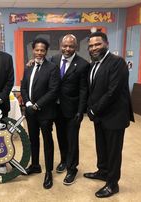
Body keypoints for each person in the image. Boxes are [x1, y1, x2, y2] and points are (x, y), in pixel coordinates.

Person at [84, 31, 134, 198]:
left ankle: (113, 184)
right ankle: (103, 171)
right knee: (102, 147)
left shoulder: (117, 62)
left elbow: (112, 92)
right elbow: (93, 90)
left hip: (114, 116)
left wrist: (93, 109)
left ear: (106, 44)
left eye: (97, 44)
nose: (94, 48)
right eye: (91, 45)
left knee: (113, 151)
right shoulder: (94, 64)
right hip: (100, 116)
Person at [50, 34, 90, 185]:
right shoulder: (53, 59)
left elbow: (83, 90)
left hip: (73, 109)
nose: (67, 49)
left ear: (76, 47)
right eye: (65, 46)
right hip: (56, 108)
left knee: (72, 140)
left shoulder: (83, 64)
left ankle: (72, 168)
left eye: (71, 46)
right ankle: (64, 160)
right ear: (61, 45)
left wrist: (81, 111)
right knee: (61, 136)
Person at [21, 38, 60, 189]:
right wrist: (29, 103)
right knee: (33, 139)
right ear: (33, 50)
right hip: (31, 112)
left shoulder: (52, 68)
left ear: (46, 51)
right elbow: (24, 87)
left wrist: (37, 105)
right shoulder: (29, 67)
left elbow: (53, 91)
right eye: (37, 50)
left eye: (42, 50)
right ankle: (35, 165)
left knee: (47, 141)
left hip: (45, 112)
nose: (39, 53)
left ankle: (48, 171)